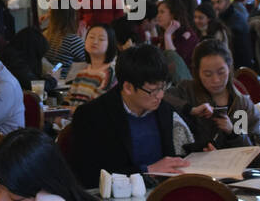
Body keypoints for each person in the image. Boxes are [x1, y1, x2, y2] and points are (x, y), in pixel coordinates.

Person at [68, 44, 193, 188]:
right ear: (128, 87)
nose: (160, 95)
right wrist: (147, 171)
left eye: (163, 87)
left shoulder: (163, 109)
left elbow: (168, 159)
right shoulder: (92, 116)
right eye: (153, 90)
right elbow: (88, 175)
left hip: (161, 191)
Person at [165, 40, 260, 151]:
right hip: (194, 165)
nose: (216, 80)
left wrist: (233, 133)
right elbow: (162, 97)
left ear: (229, 68)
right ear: (197, 72)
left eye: (221, 72)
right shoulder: (187, 91)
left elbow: (252, 153)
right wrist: (190, 109)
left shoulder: (242, 106)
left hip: (232, 166)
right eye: (208, 74)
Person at [65, 24, 116, 107]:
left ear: (110, 44)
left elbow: (96, 106)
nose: (95, 42)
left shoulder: (109, 72)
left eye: (101, 39)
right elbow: (68, 99)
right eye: (91, 37)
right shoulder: (82, 73)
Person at [209, 0, 253, 67]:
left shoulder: (235, 21)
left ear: (228, 2)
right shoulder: (223, 17)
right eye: (213, 3)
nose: (215, 6)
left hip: (238, 67)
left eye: (219, 2)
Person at [154, 0, 198, 67]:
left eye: (162, 12)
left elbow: (175, 63)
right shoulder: (163, 35)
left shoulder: (188, 35)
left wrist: (167, 35)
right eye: (158, 12)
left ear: (173, 14)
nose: (158, 16)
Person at [43, 5, 87, 70]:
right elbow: (91, 59)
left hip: (49, 77)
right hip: (65, 79)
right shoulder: (72, 40)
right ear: (72, 17)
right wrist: (83, 40)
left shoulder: (45, 34)